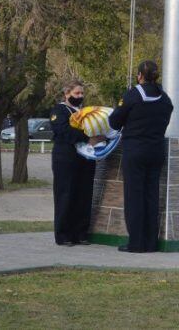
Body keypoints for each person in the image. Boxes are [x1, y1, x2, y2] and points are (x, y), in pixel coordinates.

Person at [109, 61, 173, 253]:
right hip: (156, 150)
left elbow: (114, 121)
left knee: (134, 196)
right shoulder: (165, 98)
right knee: (152, 196)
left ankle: (136, 243)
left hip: (135, 150)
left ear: (139, 76)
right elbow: (167, 116)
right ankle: (151, 243)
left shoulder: (133, 95)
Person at [50, 80, 104, 246]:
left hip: (85, 159)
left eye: (81, 93)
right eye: (76, 93)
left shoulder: (85, 112)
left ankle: (80, 233)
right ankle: (63, 235)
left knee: (84, 195)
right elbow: (63, 130)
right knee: (66, 195)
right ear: (67, 94)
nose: (80, 96)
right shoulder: (59, 110)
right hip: (66, 158)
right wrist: (87, 137)